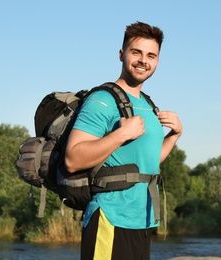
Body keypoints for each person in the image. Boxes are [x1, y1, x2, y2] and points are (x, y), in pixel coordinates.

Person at [64, 21, 182, 260]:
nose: (143, 60)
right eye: (136, 52)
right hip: (110, 218)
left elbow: (148, 162)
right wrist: (121, 134)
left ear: (157, 61)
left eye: (151, 55)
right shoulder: (102, 100)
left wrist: (175, 135)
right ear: (121, 54)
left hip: (143, 221)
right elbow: (72, 159)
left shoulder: (148, 105)